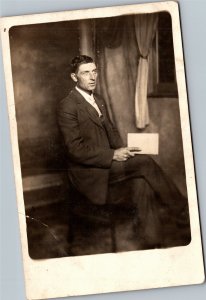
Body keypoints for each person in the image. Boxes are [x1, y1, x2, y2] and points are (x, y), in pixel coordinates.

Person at [57, 55, 190, 248]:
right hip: (88, 172)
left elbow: (111, 131)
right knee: (144, 163)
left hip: (107, 165)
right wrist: (113, 155)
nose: (92, 76)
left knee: (141, 183)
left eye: (94, 71)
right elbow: (75, 150)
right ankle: (182, 210)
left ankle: (153, 243)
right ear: (74, 77)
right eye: (86, 73)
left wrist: (122, 149)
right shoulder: (67, 106)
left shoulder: (98, 99)